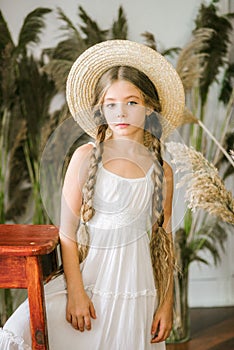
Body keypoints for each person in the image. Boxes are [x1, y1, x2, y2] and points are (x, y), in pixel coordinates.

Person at [0, 40, 185, 349]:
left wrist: (166, 304)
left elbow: (164, 244)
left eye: (132, 102)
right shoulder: (86, 157)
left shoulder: (162, 172)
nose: (120, 112)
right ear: (101, 109)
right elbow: (68, 233)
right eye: (111, 103)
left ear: (149, 106)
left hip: (137, 294)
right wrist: (76, 292)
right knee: (19, 330)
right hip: (90, 288)